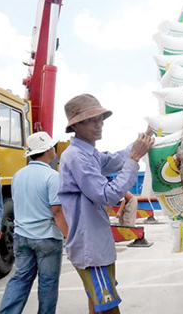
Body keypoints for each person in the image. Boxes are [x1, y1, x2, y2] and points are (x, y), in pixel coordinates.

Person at [58, 94, 154, 314]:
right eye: (91, 120)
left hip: (96, 247)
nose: (99, 124)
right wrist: (134, 159)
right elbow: (107, 195)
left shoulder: (88, 153)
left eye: (101, 119)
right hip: (91, 249)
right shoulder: (77, 157)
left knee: (97, 302)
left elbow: (115, 159)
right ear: (76, 125)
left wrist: (145, 137)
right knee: (109, 307)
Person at [0, 132, 68, 314]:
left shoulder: (18, 175)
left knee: (20, 278)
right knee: (48, 283)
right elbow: (57, 211)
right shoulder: (53, 176)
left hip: (21, 237)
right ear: (47, 150)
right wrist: (69, 236)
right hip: (46, 237)